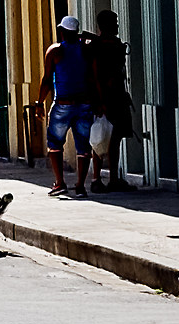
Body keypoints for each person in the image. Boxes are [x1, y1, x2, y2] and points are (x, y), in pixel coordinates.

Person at [38, 14, 99, 197]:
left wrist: (39, 102)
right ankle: (80, 186)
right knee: (84, 147)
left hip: (63, 104)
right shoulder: (87, 50)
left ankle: (60, 183)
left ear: (62, 32)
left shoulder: (55, 51)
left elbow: (47, 80)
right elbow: (94, 78)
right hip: (84, 104)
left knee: (55, 145)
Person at [90, 10, 134, 193]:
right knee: (100, 137)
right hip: (106, 97)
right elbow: (96, 75)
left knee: (113, 138)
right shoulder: (99, 47)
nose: (117, 25)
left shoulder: (109, 44)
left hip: (115, 96)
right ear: (105, 25)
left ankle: (112, 178)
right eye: (114, 22)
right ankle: (97, 178)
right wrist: (100, 101)